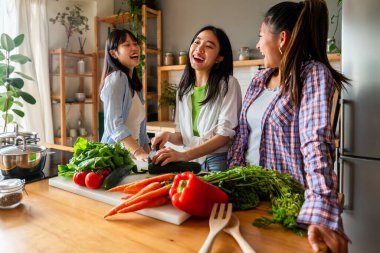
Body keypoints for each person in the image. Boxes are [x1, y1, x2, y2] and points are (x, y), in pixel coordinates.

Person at [228, 1, 350, 252]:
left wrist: (319, 210)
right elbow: (242, 136)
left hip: (288, 201)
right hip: (252, 197)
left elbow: (315, 141)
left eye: (261, 37)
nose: (259, 45)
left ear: (282, 39)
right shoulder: (258, 79)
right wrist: (232, 184)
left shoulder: (312, 74)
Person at [151, 25, 242, 171]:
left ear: (219, 57)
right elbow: (183, 136)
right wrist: (168, 136)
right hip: (191, 160)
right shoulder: (183, 89)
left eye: (209, 46)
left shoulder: (228, 84)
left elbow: (224, 135)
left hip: (217, 160)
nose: (199, 49)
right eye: (196, 42)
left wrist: (185, 155)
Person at [100, 29, 149, 161]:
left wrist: (150, 160)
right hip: (115, 160)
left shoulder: (135, 84)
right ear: (114, 53)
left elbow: (141, 131)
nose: (134, 48)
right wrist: (138, 153)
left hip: (132, 160)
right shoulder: (117, 78)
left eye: (135, 43)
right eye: (127, 45)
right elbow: (114, 125)